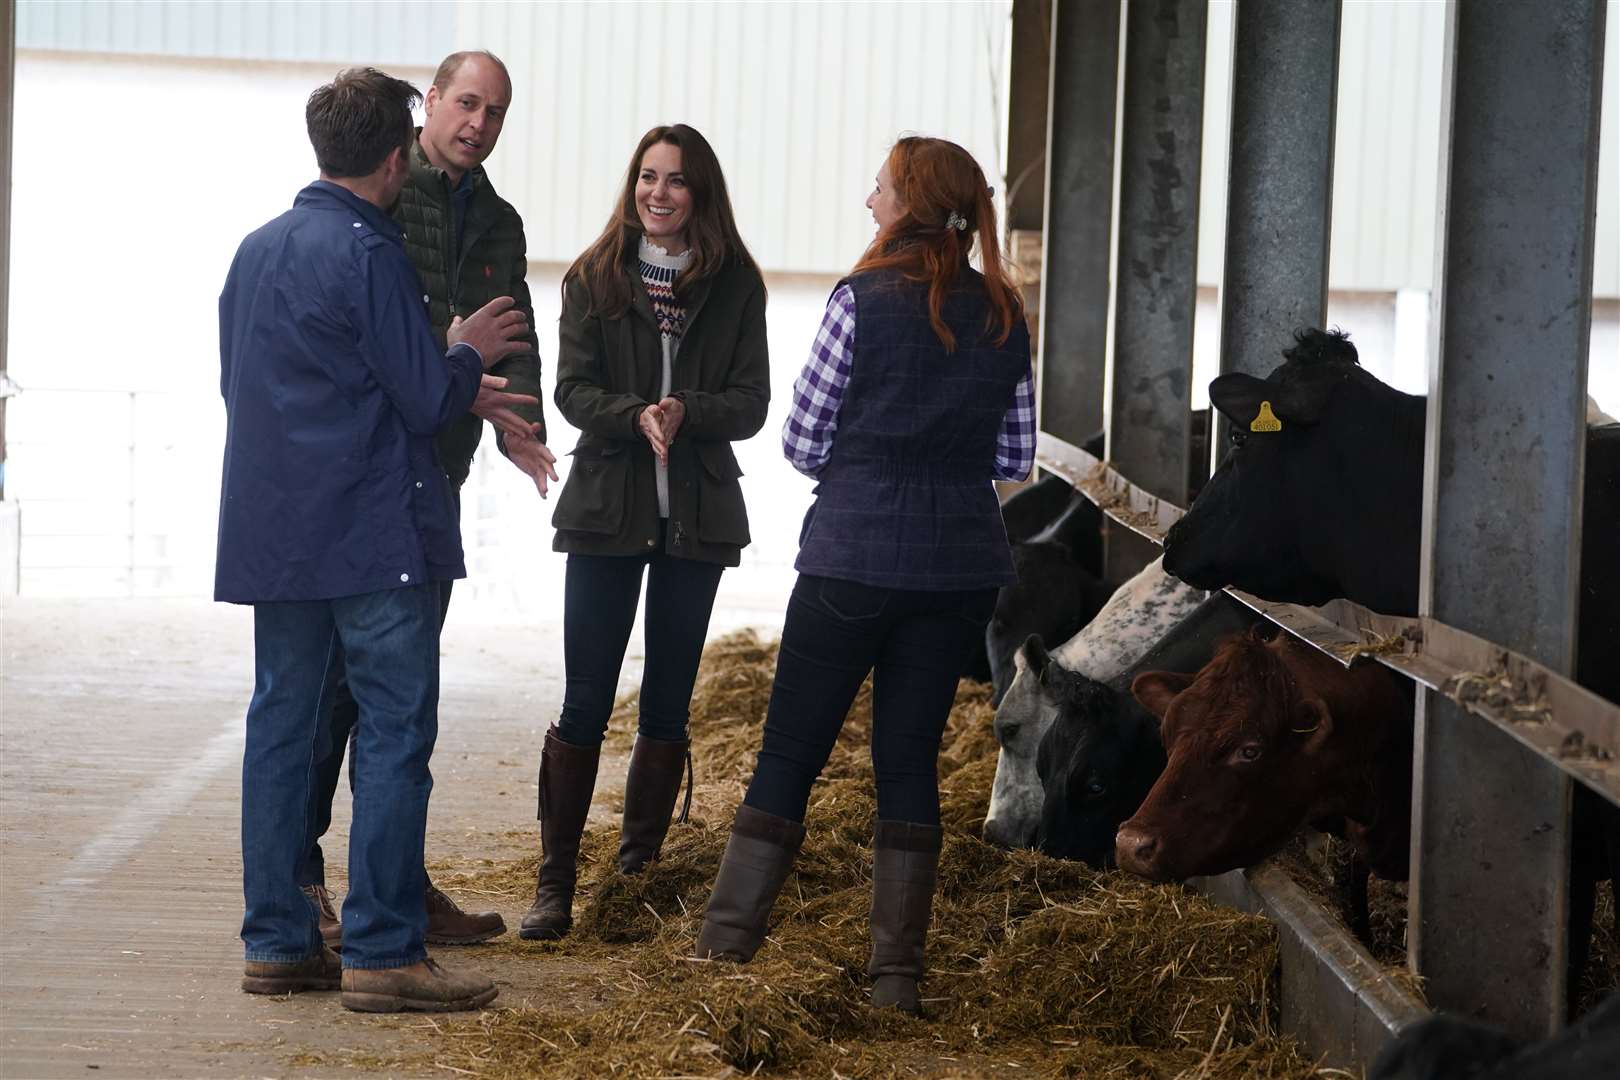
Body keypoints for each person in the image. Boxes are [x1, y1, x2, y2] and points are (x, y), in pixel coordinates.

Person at [693, 137, 1035, 1015]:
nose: (869, 201)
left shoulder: (860, 299)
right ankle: (895, 978)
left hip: (852, 556)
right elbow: (1014, 455)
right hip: (958, 567)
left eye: (879, 188)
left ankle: (724, 950)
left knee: (789, 753)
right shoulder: (1005, 310)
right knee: (909, 760)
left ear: (910, 201)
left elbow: (804, 440)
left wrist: (871, 465)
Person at [218, 67, 536, 1012]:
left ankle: (277, 941)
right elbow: (426, 396)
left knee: (282, 725)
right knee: (395, 733)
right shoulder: (374, 254)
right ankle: (384, 950)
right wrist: (467, 350)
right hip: (370, 534)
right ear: (396, 156)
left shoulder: (256, 250)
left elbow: (244, 384)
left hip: (277, 535)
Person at [298, 49, 557, 950]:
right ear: (432, 104)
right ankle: (304, 884)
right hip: (363, 472)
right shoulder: (377, 191)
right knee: (340, 692)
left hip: (433, 475)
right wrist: (451, 356)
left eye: (496, 112)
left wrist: (518, 421)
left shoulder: (499, 219)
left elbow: (511, 332)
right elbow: (370, 334)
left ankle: (393, 883)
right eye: (468, 104)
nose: (479, 125)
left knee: (401, 695)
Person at [519, 124, 769, 942]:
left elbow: (753, 401)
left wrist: (688, 412)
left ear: (701, 193)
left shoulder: (737, 284)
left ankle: (634, 881)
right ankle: (554, 887)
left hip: (696, 516)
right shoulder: (595, 277)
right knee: (585, 699)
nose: (658, 194)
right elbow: (572, 390)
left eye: (676, 181)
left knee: (668, 701)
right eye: (647, 178)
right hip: (604, 511)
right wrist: (635, 416)